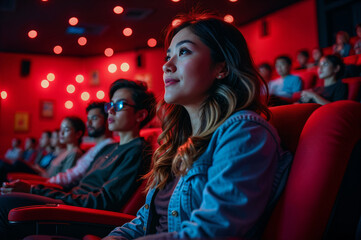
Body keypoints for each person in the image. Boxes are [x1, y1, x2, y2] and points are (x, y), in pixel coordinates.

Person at [104, 13, 289, 240]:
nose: (167, 66)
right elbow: (146, 221)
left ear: (221, 67)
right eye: (168, 56)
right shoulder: (178, 142)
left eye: (183, 52)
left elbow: (212, 233)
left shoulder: (244, 132)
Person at [0, 79, 156, 239]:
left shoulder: (137, 151)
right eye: (110, 105)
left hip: (82, 216)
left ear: (140, 115)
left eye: (120, 105)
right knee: (6, 197)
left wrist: (35, 190)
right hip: (71, 203)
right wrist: (37, 190)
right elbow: (78, 186)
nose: (111, 111)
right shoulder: (109, 148)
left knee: (4, 204)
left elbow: (104, 202)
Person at [47, 101, 114, 189]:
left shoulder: (108, 148)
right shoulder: (95, 148)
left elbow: (70, 178)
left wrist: (43, 184)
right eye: (88, 119)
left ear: (109, 120)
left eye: (94, 118)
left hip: (69, 196)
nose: (88, 123)